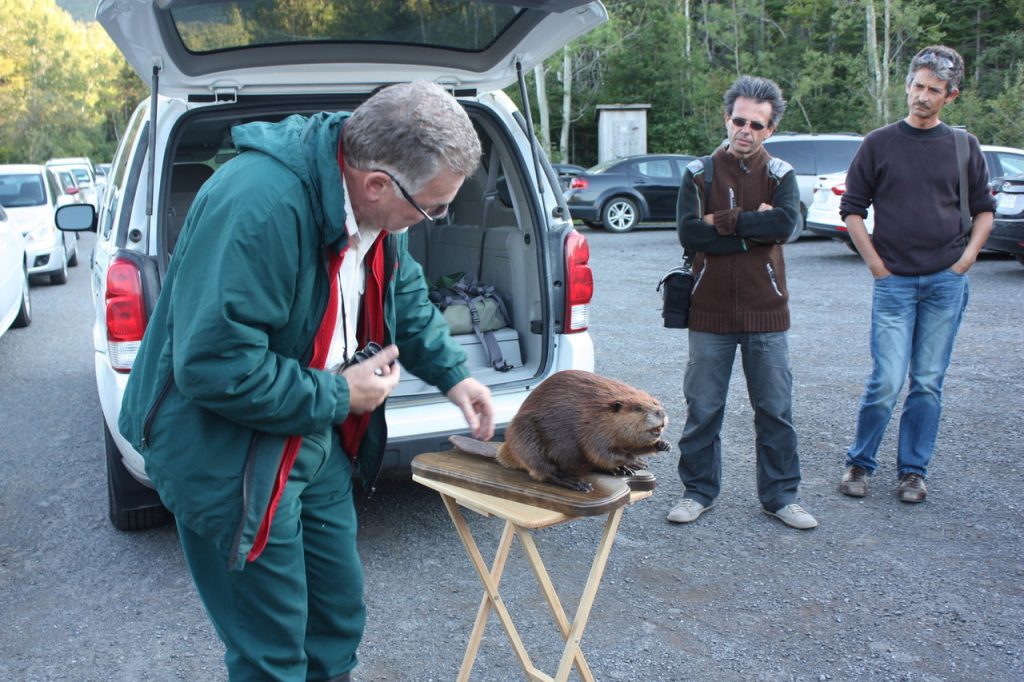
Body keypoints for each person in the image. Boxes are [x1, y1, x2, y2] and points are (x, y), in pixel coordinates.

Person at [118, 80, 495, 680]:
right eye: (434, 207)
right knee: (270, 650)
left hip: (311, 433)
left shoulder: (372, 211)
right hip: (231, 452)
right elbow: (214, 366)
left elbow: (403, 294)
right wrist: (342, 394)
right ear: (377, 183)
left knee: (335, 621)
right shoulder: (259, 207)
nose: (432, 219)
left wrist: (454, 377)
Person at [838, 46, 994, 503]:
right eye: (918, 86)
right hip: (894, 284)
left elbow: (985, 211)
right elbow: (852, 211)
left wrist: (965, 261)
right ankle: (859, 464)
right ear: (907, 85)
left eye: (934, 90)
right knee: (886, 380)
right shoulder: (879, 143)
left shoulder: (964, 146)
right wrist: (877, 267)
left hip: (946, 283)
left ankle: (912, 472)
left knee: (927, 381)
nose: (923, 97)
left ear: (951, 96)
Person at [666, 75, 817, 530]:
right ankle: (698, 492)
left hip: (766, 314)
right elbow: (689, 233)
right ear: (726, 118)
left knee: (775, 410)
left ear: (769, 129)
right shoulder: (698, 173)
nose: (745, 130)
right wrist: (753, 227)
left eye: (756, 124)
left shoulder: (781, 174)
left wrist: (724, 223)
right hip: (708, 313)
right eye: (739, 120)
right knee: (704, 409)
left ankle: (780, 497)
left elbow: (786, 227)